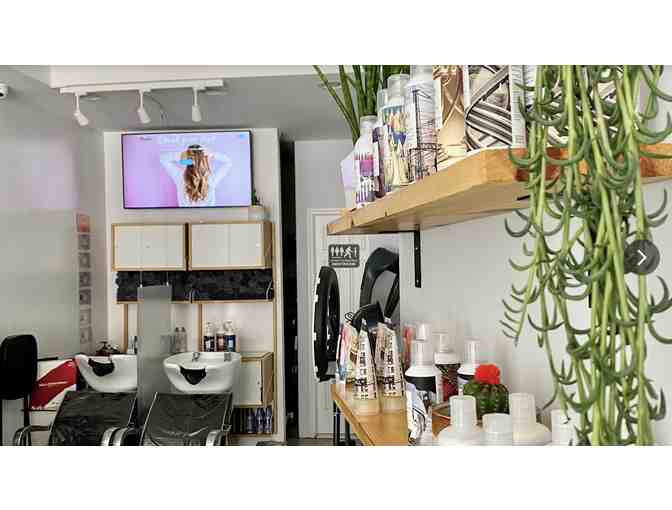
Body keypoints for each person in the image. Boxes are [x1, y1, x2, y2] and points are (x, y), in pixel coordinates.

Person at [159, 143, 232, 207]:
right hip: (208, 217)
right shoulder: (210, 179)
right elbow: (228, 162)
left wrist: (185, 158)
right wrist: (212, 154)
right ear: (203, 159)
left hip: (185, 218)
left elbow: (163, 159)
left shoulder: (180, 176)